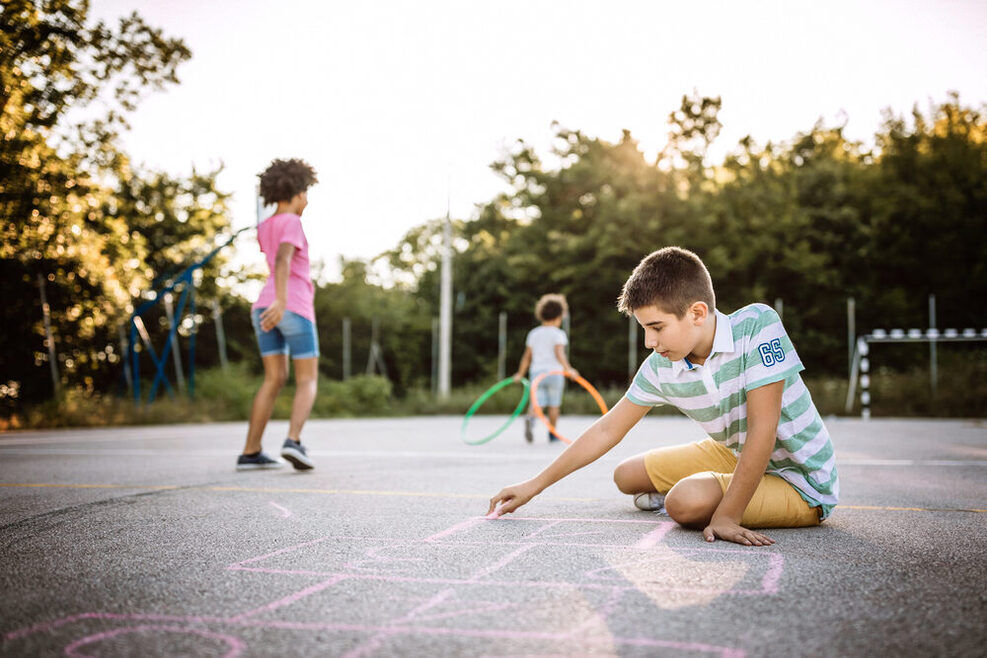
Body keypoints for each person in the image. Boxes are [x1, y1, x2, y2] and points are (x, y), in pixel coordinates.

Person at [489, 247, 839, 546]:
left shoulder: (757, 325)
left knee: (683, 502)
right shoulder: (660, 365)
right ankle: (714, 490)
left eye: (656, 328)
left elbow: (764, 429)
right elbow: (607, 430)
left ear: (697, 313)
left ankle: (714, 496)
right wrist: (534, 486)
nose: (649, 343)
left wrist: (727, 515)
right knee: (625, 476)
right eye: (644, 330)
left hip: (799, 478)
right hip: (736, 453)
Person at [236, 158, 321, 472]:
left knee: (273, 379)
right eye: (306, 193)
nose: (308, 200)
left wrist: (274, 300)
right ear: (297, 192)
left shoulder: (265, 225)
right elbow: (284, 260)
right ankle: (293, 441)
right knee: (307, 379)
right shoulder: (292, 222)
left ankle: (250, 451)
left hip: (262, 306)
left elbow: (273, 264)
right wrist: (283, 300)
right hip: (291, 305)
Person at [513, 294, 578, 443]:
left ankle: (531, 418)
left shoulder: (533, 334)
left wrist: (520, 374)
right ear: (559, 316)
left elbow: (527, 357)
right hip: (554, 374)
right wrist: (569, 369)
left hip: (537, 374)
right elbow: (559, 354)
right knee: (554, 405)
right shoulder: (559, 334)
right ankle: (552, 433)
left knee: (537, 403)